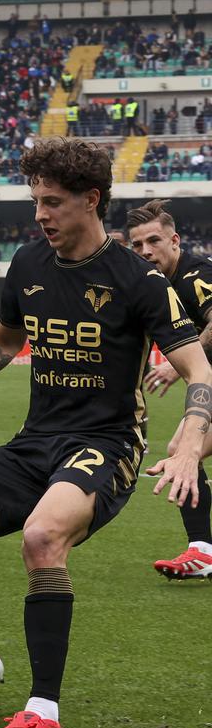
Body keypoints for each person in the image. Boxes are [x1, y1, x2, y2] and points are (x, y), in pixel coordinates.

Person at [0, 137, 211, 728]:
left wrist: (192, 442)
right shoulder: (28, 262)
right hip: (35, 443)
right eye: (36, 201)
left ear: (91, 199)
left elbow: (199, 369)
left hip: (106, 445)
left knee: (42, 538)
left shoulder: (138, 278)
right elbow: (6, 340)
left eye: (53, 202)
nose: (40, 215)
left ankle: (44, 715)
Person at [129, 199, 212, 580]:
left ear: (174, 241)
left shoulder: (193, 276)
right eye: (137, 245)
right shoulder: (157, 286)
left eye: (154, 241)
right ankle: (202, 551)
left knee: (182, 451)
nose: (145, 251)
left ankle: (202, 550)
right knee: (181, 451)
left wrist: (177, 368)